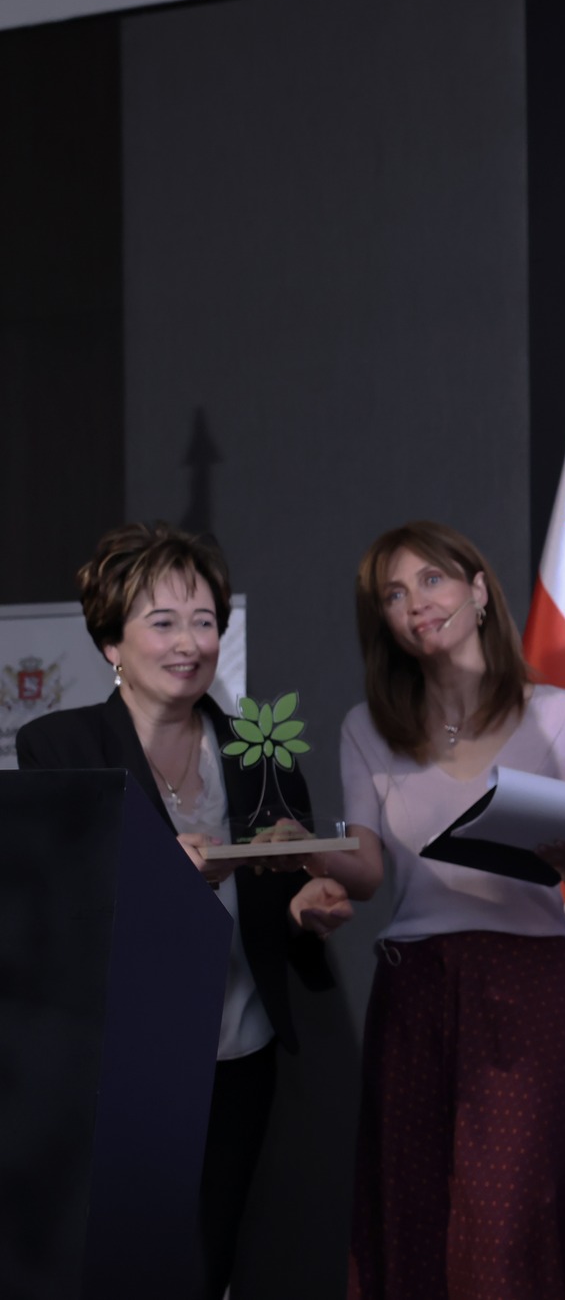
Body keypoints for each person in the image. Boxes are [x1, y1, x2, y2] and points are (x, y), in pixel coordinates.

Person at [15, 522, 348, 1300]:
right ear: (111, 641)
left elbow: (281, 905)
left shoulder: (262, 753)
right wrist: (156, 878)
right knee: (115, 1269)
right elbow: (48, 914)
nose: (189, 642)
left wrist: (306, 911)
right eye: (163, 622)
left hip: (238, 1057)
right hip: (115, 1063)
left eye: (204, 621)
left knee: (207, 1262)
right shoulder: (59, 747)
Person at [317, 521, 565, 1300]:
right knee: (411, 1214)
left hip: (526, 987)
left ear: (479, 589)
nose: (415, 603)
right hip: (412, 989)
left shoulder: (561, 715)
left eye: (432, 579)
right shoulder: (366, 726)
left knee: (510, 1223)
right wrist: (295, 847)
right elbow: (365, 871)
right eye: (393, 594)